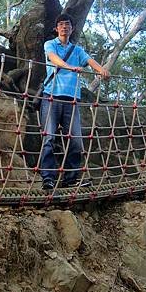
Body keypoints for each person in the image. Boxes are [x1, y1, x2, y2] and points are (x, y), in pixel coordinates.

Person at [39, 13, 110, 190]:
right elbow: (53, 58)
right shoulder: (50, 44)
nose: (64, 27)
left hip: (72, 100)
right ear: (56, 28)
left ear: (72, 28)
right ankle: (48, 178)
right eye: (61, 24)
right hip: (51, 96)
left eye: (68, 24)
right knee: (49, 138)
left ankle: (70, 179)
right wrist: (70, 67)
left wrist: (101, 70)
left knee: (76, 140)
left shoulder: (77, 50)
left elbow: (89, 60)